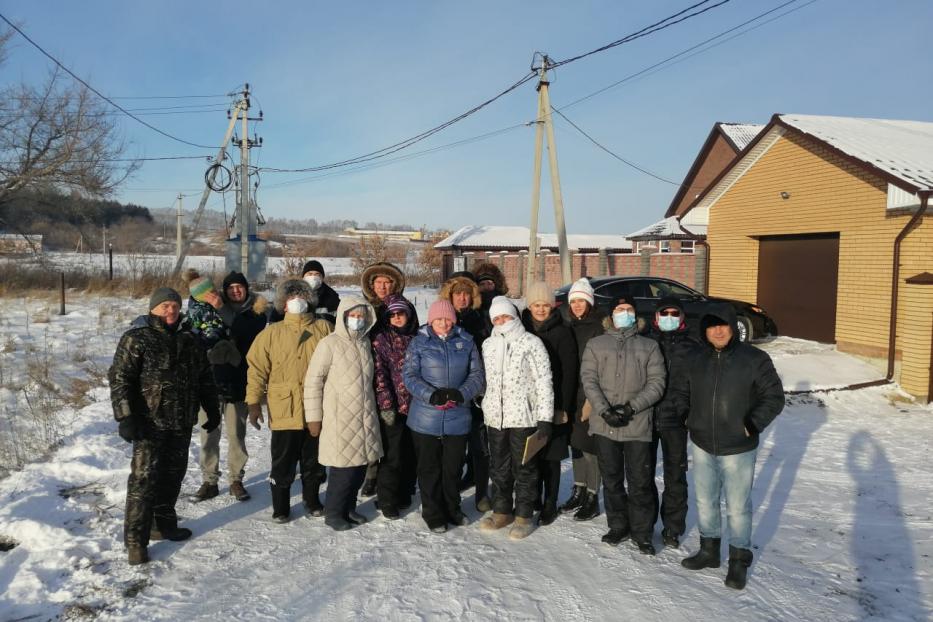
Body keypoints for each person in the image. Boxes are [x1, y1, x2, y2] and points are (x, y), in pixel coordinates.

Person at [673, 303, 784, 590]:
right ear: (704, 330)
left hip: (738, 446)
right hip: (702, 442)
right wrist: (687, 417)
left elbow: (774, 396)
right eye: (711, 326)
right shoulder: (695, 358)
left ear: (733, 327)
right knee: (706, 501)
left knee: (737, 507)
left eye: (722, 324)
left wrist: (751, 423)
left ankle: (738, 559)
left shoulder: (754, 359)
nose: (718, 331)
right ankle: (709, 552)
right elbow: (681, 391)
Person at [108, 287, 221, 565]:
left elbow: (204, 377)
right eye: (165, 306)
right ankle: (136, 541)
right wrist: (126, 417)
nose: (170, 311)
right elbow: (120, 379)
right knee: (143, 482)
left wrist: (212, 408)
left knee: (173, 476)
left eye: (174, 306)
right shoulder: (137, 338)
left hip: (181, 422)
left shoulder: (189, 340)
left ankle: (164, 525)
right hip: (149, 424)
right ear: (153, 309)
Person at [580, 296, 666, 555]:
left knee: (639, 481)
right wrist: (604, 410)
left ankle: (642, 532)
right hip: (604, 423)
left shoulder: (649, 346)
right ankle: (618, 525)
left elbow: (657, 383)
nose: (624, 313)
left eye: (628, 310)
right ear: (611, 315)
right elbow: (589, 379)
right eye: (620, 310)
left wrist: (631, 408)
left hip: (637, 424)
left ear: (635, 315)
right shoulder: (596, 344)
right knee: (612, 479)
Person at [245, 279, 332, 523]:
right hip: (284, 408)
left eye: (302, 297)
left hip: (317, 408)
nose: (297, 302)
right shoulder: (271, 333)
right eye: (292, 298)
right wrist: (253, 402)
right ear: (284, 304)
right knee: (283, 461)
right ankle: (280, 506)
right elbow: (256, 369)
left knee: (314, 460)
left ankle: (312, 499)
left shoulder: (323, 329)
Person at [403, 299, 485, 533]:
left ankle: (452, 508)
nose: (444, 324)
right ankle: (432, 512)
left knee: (452, 468)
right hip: (425, 418)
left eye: (448, 319)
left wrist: (461, 394)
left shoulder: (466, 342)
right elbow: (409, 376)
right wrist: (432, 395)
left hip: (458, 417)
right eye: (439, 319)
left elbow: (477, 375)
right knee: (429, 468)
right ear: (431, 320)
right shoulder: (419, 343)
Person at [303, 295, 384, 531]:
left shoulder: (365, 343)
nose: (357, 320)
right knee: (342, 469)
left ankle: (349, 507)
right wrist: (314, 417)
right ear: (343, 317)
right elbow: (313, 381)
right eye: (353, 316)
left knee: (358, 467)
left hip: (364, 414)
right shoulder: (329, 344)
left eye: (361, 316)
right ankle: (333, 512)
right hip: (339, 415)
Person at [479, 296, 554, 540]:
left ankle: (523, 515)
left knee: (524, 468)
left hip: (524, 416)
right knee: (499, 468)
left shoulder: (531, 342)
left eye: (506, 316)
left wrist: (545, 417)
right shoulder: (488, 345)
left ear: (515, 316)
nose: (502, 321)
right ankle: (502, 511)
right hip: (495, 418)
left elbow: (544, 381)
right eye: (497, 318)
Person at [192, 271, 268, 503]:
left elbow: (245, 331)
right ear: (224, 290)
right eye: (231, 288)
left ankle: (236, 478)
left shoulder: (256, 312)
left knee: (236, 434)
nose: (236, 291)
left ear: (246, 289)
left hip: (239, 381)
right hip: (210, 382)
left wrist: (221, 308)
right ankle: (209, 480)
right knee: (208, 433)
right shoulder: (207, 309)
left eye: (240, 287)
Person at [521, 282, 578, 527]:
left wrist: (561, 407)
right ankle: (533, 497)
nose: (541, 309)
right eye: (536, 305)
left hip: (554, 404)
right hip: (527, 405)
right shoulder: (521, 328)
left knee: (551, 458)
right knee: (531, 455)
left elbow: (569, 372)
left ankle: (549, 503)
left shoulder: (562, 332)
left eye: (545, 305)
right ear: (529, 306)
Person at [645, 297, 701, 549]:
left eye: (673, 313)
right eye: (664, 313)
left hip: (676, 422)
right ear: (656, 317)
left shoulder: (693, 347)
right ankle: (644, 525)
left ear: (681, 317)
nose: (669, 316)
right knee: (642, 475)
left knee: (675, 476)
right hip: (646, 417)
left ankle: (672, 528)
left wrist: (689, 411)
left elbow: (700, 384)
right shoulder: (645, 342)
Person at [438, 271, 492, 512]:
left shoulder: (482, 320)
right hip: (450, 395)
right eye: (457, 294)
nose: (462, 299)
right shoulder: (441, 321)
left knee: (480, 447)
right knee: (453, 448)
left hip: (477, 393)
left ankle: (482, 492)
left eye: (466, 294)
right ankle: (451, 489)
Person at [359, 260, 413, 496]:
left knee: (397, 436)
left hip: (395, 379)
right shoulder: (364, 306)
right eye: (378, 282)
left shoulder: (404, 306)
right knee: (372, 431)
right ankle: (371, 474)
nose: (382, 286)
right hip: (367, 373)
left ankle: (402, 477)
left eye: (387, 281)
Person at [558, 278, 606, 521]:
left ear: (590, 302)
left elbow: (602, 366)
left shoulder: (598, 327)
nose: (577, 305)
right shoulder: (568, 324)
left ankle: (592, 496)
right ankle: (578, 489)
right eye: (573, 301)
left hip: (590, 395)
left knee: (590, 447)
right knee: (575, 444)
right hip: (571, 394)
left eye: (581, 301)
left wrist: (591, 400)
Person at [371, 294, 419, 520]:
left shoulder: (419, 337)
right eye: (393, 314)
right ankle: (386, 498)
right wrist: (386, 404)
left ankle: (405, 492)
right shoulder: (382, 339)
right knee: (393, 455)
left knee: (411, 453)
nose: (397, 317)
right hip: (393, 408)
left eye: (401, 313)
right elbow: (380, 374)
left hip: (418, 407)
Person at [473, 262, 509, 334]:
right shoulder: (473, 310)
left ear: (496, 285)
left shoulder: (506, 307)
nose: (486, 287)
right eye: (482, 284)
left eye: (489, 283)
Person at [301, 259, 341, 324]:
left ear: (322, 277)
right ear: (303, 277)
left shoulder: (332, 297)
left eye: (317, 274)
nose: (313, 277)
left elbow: (337, 321)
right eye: (310, 274)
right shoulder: (293, 295)